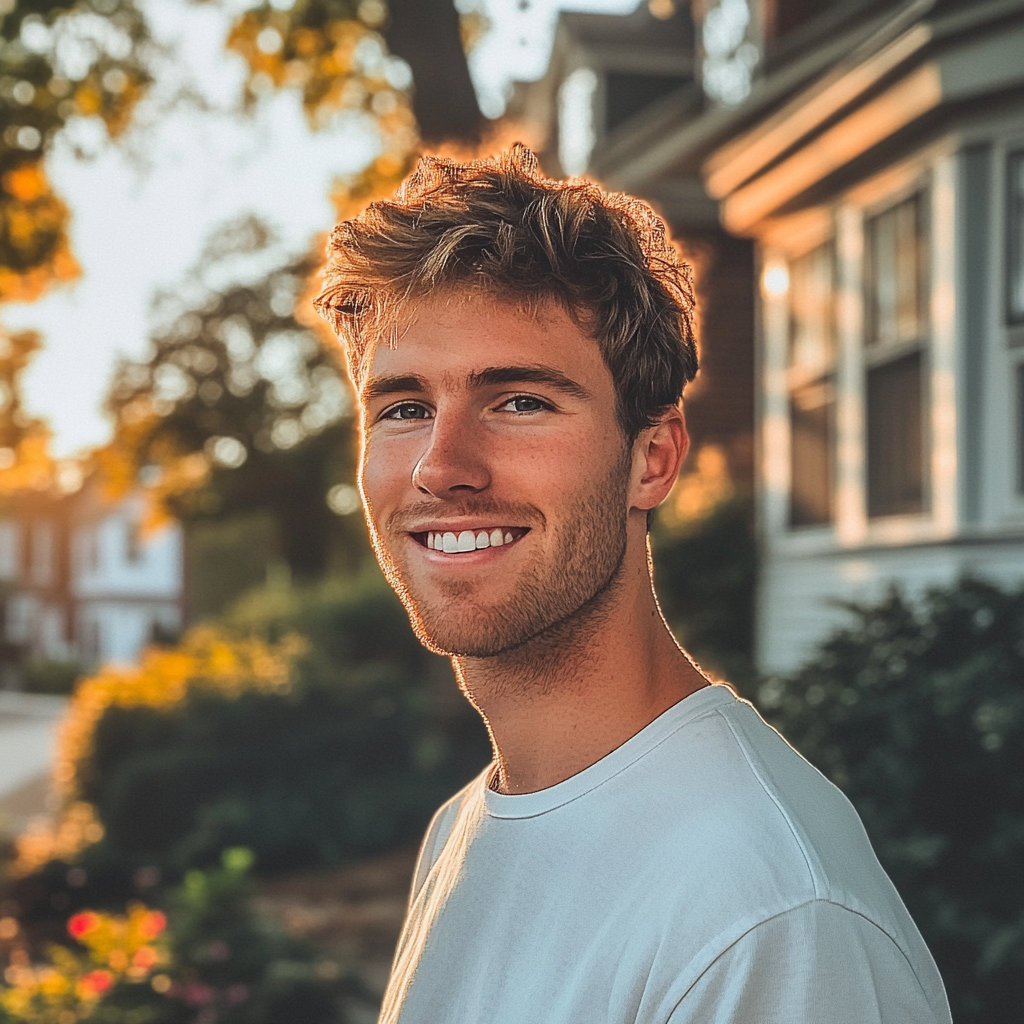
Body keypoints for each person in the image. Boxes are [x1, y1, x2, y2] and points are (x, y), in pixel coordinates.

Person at [315, 145, 951, 1024]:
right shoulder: (464, 829)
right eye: (403, 408)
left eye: (520, 401)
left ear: (651, 459)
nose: (441, 466)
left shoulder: (768, 917)